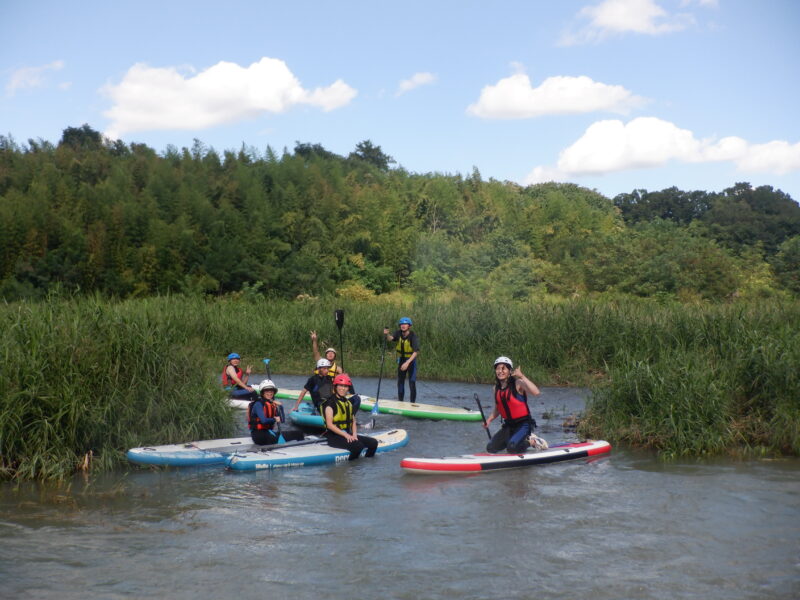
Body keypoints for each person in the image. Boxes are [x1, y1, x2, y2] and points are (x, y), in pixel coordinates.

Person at [484, 356, 541, 454]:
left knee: (512, 448)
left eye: (503, 368)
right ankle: (513, 441)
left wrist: (522, 376)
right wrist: (489, 420)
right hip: (508, 425)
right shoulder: (495, 389)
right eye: (497, 369)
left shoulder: (518, 384)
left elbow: (536, 392)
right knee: (490, 448)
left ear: (510, 371)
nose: (500, 371)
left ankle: (531, 442)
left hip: (523, 424)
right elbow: (498, 408)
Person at [321, 373, 378, 461]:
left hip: (347, 435)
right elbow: (329, 425)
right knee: (358, 446)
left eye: (345, 386)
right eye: (340, 385)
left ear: (348, 388)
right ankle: (352, 468)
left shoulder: (347, 403)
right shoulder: (330, 403)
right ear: (335, 386)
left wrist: (354, 434)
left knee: (374, 443)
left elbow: (353, 421)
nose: (343, 388)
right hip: (334, 437)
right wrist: (346, 435)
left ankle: (367, 465)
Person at [248, 381, 305, 445]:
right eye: (267, 391)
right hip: (259, 436)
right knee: (298, 434)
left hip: (267, 433)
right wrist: (274, 419)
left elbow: (282, 420)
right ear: (262, 392)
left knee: (297, 433)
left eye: (271, 391)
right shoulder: (258, 404)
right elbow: (263, 421)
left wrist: (280, 406)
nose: (269, 393)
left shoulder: (271, 404)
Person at [383, 317, 420, 403]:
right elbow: (391, 339)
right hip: (402, 361)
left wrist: (407, 363)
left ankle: (412, 404)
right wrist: (387, 334)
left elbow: (416, 352)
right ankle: (400, 402)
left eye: (405, 324)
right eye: (401, 324)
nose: (403, 326)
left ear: (409, 326)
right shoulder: (398, 333)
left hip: (411, 361)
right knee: (400, 382)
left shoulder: (413, 336)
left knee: (412, 383)